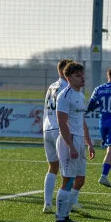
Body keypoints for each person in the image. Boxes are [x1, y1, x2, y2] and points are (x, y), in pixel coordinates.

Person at [54, 62, 96, 222]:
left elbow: (82, 121)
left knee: (80, 180)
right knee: (67, 180)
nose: (82, 78)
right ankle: (60, 220)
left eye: (82, 74)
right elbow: (62, 124)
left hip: (79, 141)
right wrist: (71, 146)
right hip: (68, 140)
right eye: (78, 76)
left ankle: (66, 214)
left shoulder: (81, 95)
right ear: (68, 77)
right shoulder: (65, 96)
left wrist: (89, 143)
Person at [42, 58, 74, 212]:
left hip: (47, 129)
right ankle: (67, 204)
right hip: (59, 129)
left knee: (52, 167)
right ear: (63, 71)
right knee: (68, 169)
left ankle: (47, 204)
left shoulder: (51, 86)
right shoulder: (66, 88)